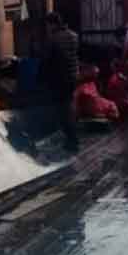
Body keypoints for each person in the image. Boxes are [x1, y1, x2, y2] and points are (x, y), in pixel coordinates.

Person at [42, 12, 80, 152]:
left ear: (51, 24)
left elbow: (47, 60)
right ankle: (71, 137)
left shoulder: (53, 39)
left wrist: (41, 77)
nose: (46, 27)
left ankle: (72, 140)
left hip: (60, 79)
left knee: (62, 110)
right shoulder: (74, 36)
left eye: (47, 24)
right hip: (73, 76)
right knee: (68, 106)